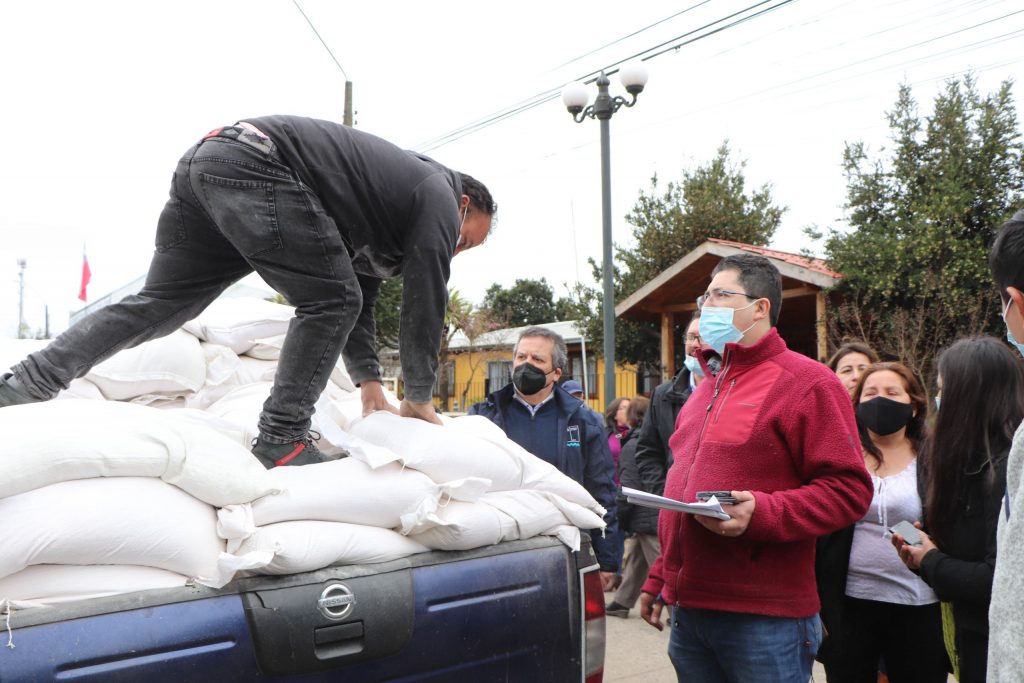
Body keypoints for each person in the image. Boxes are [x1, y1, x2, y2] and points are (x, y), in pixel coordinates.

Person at [0, 116, 496, 469]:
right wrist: (418, 398)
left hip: (212, 160)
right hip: (260, 164)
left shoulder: (383, 203)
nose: (453, 251)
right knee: (330, 300)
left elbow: (359, 294)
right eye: (464, 238)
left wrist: (369, 381)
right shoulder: (438, 191)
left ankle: (27, 384)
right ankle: (283, 437)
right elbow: (425, 295)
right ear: (464, 203)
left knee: (162, 305)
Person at [638, 253, 873, 683]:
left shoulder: (809, 383)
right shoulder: (704, 387)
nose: (706, 306)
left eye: (720, 294)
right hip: (689, 613)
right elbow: (681, 492)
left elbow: (850, 491)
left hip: (764, 620)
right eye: (704, 296)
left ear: (760, 308)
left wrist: (762, 513)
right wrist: (660, 579)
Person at [893, 337, 1023, 682]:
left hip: (998, 649)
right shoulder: (968, 464)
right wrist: (926, 555)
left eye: (943, 390)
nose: (939, 401)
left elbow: (1001, 582)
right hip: (971, 640)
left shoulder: (1006, 472)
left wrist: (932, 560)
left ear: (969, 398)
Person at [816, 362, 947, 683]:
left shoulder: (936, 457)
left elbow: (946, 528)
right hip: (851, 605)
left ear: (913, 405)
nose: (880, 400)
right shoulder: (842, 457)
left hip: (916, 604)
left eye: (892, 393)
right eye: (870, 393)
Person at [468, 326, 621, 586]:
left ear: (556, 373)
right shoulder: (484, 416)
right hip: (497, 548)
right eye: (521, 357)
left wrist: (607, 560)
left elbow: (601, 491)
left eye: (537, 359)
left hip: (561, 550)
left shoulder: (584, 423)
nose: (526, 364)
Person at [634, 311, 716, 498]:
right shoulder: (662, 396)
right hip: (674, 508)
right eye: (690, 337)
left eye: (703, 337)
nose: (695, 344)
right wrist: (666, 496)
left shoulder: (734, 391)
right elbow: (647, 452)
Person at [607, 395, 654, 618]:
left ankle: (679, 609)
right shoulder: (650, 438)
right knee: (637, 556)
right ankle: (623, 601)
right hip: (651, 510)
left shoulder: (632, 444)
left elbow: (629, 487)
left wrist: (622, 517)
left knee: (659, 562)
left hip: (645, 512)